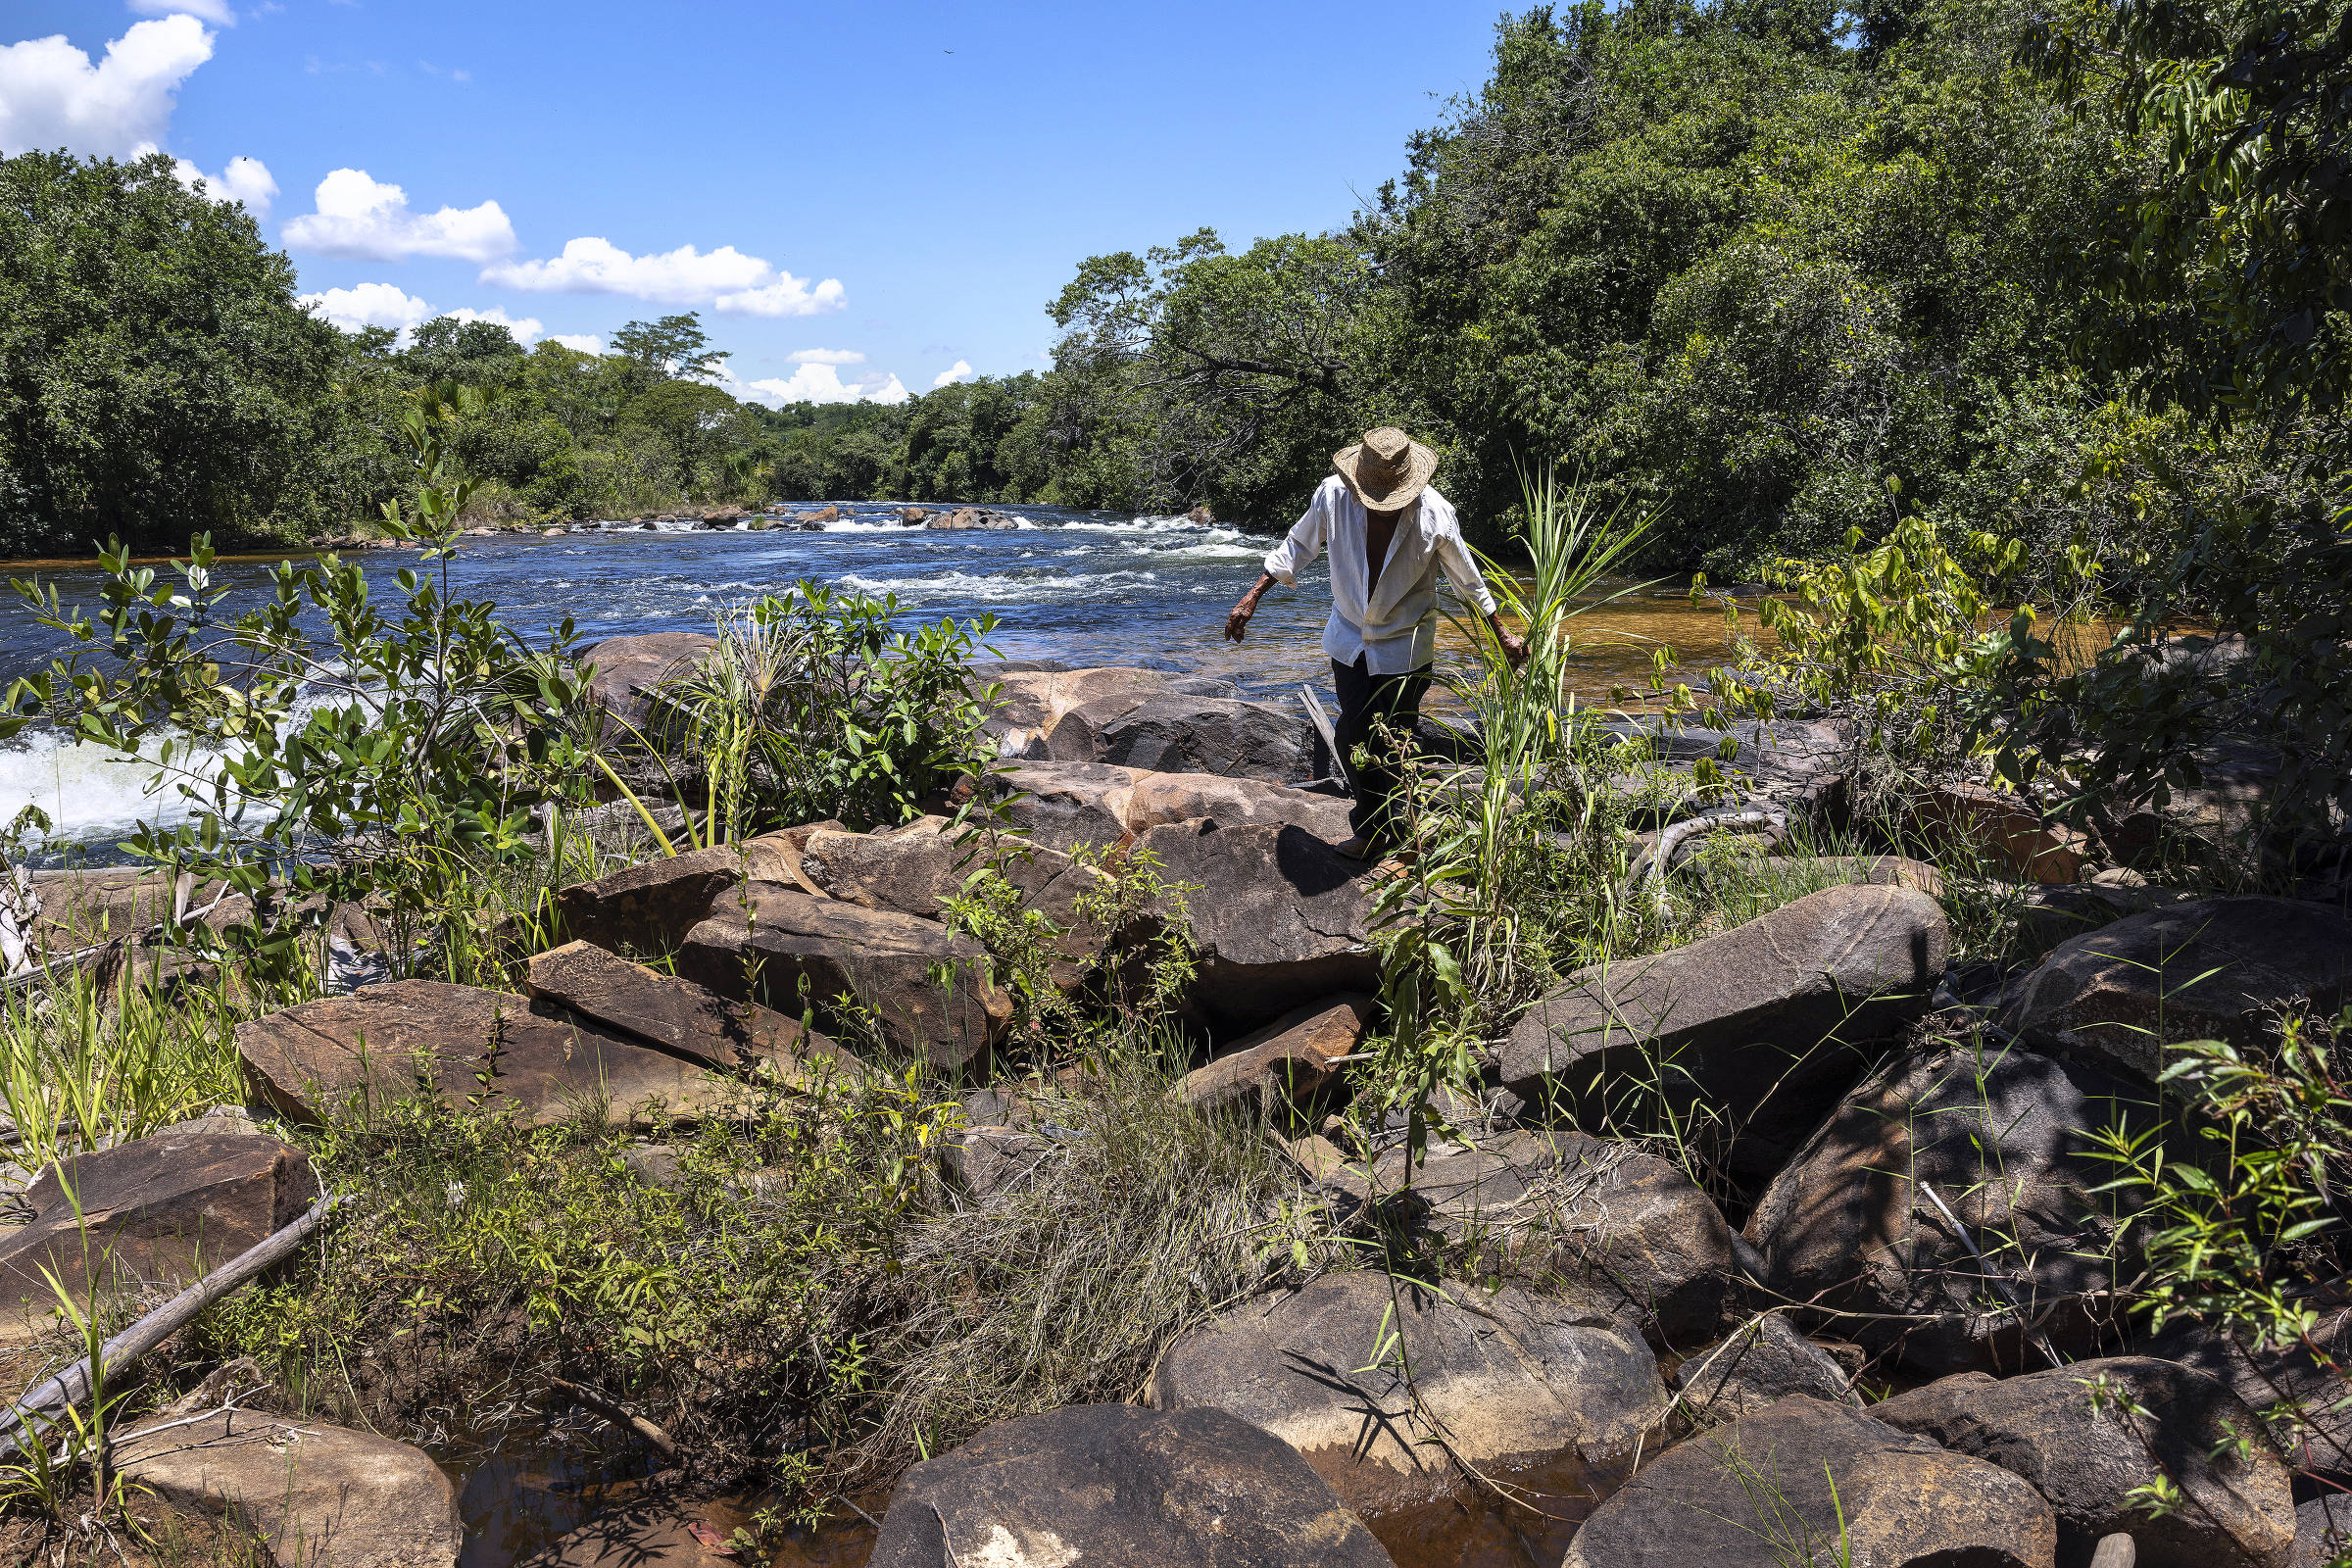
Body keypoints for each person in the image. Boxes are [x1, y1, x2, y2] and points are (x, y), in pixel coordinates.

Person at [1225, 426, 1526, 858]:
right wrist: (1252, 596)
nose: (1382, 508)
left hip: (1406, 642)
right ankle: (1374, 829)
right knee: (1352, 733)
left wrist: (1502, 634)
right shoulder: (1332, 496)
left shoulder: (1434, 514)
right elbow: (1298, 546)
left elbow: (1467, 578)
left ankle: (1400, 829)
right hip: (1349, 637)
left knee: (1396, 735)